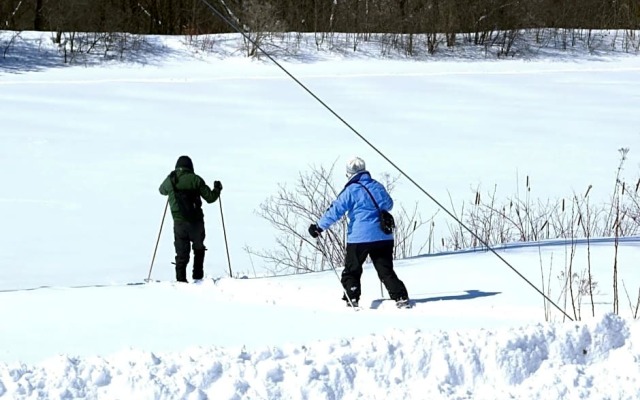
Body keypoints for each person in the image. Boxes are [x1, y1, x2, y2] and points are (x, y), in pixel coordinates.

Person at [308, 156, 410, 308]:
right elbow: (389, 205)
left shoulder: (350, 191)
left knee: (353, 270)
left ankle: (352, 297)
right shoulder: (377, 186)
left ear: (349, 173)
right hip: (383, 236)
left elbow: (335, 211)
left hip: (359, 238)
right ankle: (400, 296)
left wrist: (319, 227)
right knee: (385, 270)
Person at [159, 155, 222, 283]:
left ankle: (181, 281)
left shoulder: (171, 179)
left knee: (181, 252)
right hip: (196, 222)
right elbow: (210, 198)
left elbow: (161, 190)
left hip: (179, 222)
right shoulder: (196, 179)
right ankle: (198, 278)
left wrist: (171, 184)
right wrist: (217, 189)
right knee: (198, 248)